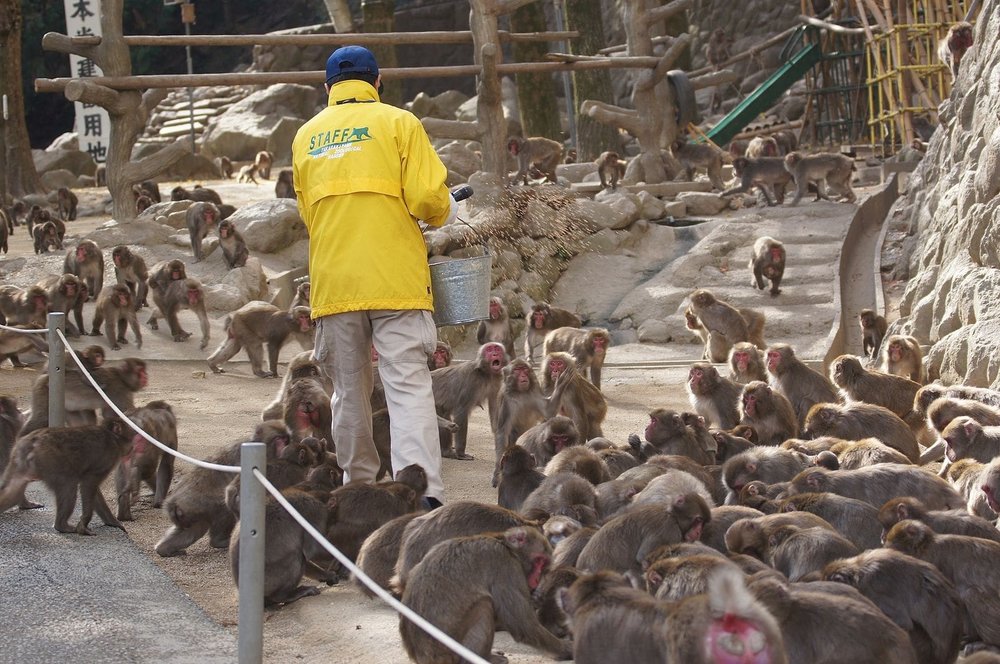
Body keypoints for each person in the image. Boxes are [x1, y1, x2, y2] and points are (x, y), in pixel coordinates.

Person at [291, 45, 457, 508]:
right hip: (396, 280)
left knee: (348, 391)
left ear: (327, 89)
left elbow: (309, 213)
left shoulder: (305, 136)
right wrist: (448, 206)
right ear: (377, 83)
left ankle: (357, 489)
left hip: (335, 281)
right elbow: (429, 200)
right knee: (407, 387)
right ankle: (422, 494)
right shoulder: (400, 123)